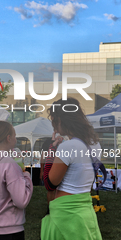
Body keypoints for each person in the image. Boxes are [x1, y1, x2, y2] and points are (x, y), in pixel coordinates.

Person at [41, 98, 102, 240]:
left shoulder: (68, 146)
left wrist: (52, 148)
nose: (53, 125)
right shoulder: (94, 144)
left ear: (61, 120)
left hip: (66, 214)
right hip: (85, 209)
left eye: (54, 120)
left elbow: (50, 183)